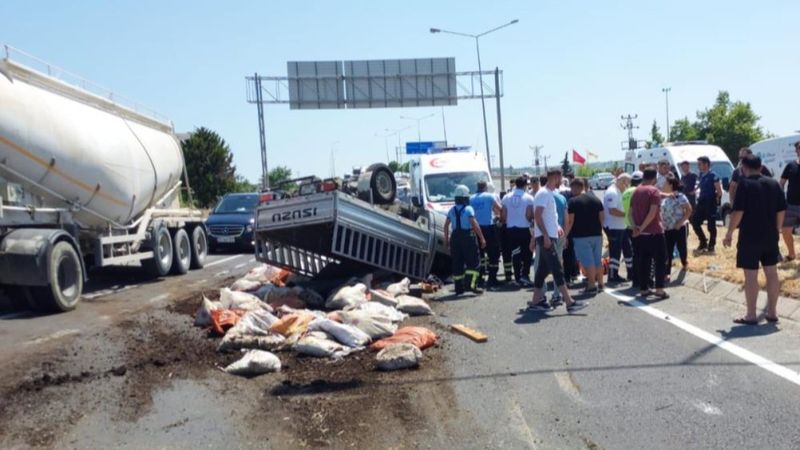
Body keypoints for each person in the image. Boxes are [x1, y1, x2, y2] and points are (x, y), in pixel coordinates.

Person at [723, 155, 786, 325]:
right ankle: (772, 312)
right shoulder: (773, 184)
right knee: (771, 273)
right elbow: (781, 209)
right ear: (761, 166)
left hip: (750, 236)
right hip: (770, 235)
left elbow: (738, 212)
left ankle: (751, 315)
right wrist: (777, 229)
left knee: (751, 275)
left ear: (744, 167)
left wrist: (729, 233)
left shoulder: (744, 184)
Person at [527, 169, 586, 312]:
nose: (561, 181)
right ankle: (569, 303)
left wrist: (557, 227)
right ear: (555, 177)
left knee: (542, 272)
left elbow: (548, 216)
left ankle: (535, 302)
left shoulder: (549, 194)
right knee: (557, 269)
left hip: (549, 236)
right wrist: (546, 235)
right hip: (546, 238)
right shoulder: (544, 194)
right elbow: (537, 215)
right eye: (560, 178)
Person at [630, 169, 669, 299]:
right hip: (654, 232)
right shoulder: (653, 191)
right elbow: (652, 213)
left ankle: (644, 288)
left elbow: (630, 212)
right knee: (660, 260)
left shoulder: (636, 191)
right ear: (654, 178)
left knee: (644, 261)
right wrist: (641, 228)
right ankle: (659, 289)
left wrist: (635, 227)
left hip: (641, 235)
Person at [443, 185, 486, 295]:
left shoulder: (451, 210)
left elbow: (446, 226)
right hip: (467, 237)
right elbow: (474, 224)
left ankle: (459, 288)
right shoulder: (469, 209)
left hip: (455, 238)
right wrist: (482, 238)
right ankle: (471, 285)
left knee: (457, 263)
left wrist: (447, 240)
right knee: (474, 262)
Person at [565, 178, 605, 293]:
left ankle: (591, 285)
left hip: (581, 236)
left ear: (575, 187)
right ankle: (601, 283)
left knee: (588, 261)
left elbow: (570, 221)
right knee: (597, 260)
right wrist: (602, 232)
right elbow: (602, 218)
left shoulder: (572, 201)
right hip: (597, 235)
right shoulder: (596, 200)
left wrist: (565, 236)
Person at [501, 177, 534, 286]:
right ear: (525, 185)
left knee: (515, 253)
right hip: (524, 228)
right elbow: (529, 215)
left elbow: (503, 215)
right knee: (527, 253)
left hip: (511, 229)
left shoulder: (506, 197)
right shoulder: (529, 198)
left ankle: (517, 277)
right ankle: (525, 275)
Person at [470, 181, 503, 287]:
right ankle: (492, 278)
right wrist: (500, 219)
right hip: (488, 228)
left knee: (479, 254)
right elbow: (499, 209)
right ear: (485, 187)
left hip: (476, 228)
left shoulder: (471, 198)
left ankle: (479, 278)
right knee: (493, 253)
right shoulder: (489, 196)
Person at [661, 174, 692, 281]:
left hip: (679, 227)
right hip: (667, 228)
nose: (663, 185)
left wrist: (680, 223)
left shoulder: (680, 196)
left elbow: (689, 210)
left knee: (681, 248)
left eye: (665, 183)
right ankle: (667, 273)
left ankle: (684, 262)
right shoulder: (664, 197)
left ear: (670, 185)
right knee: (667, 251)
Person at [604, 173, 632, 284]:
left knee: (627, 249)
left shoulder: (619, 191)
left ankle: (631, 272)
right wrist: (627, 215)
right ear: (622, 181)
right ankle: (613, 275)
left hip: (621, 226)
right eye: (627, 183)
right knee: (615, 252)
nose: (627, 186)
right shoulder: (612, 192)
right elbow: (612, 210)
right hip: (614, 227)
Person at [691, 156, 723, 253]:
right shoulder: (701, 175)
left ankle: (711, 245)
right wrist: (695, 190)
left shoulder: (713, 176)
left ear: (706, 164)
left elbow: (719, 191)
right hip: (701, 202)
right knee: (695, 222)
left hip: (710, 203)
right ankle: (703, 241)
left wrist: (715, 199)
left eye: (699, 164)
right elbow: (700, 184)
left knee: (711, 226)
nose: (698, 166)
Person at [779, 140, 800, 262]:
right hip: (791, 205)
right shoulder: (790, 166)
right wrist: (780, 198)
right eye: (798, 148)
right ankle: (791, 254)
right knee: (786, 231)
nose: (799, 150)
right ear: (796, 151)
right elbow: (781, 183)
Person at [622, 171, 643, 285]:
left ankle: (634, 277)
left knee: (634, 252)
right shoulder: (638, 191)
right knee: (640, 253)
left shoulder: (626, 192)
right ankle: (639, 278)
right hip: (636, 225)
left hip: (627, 225)